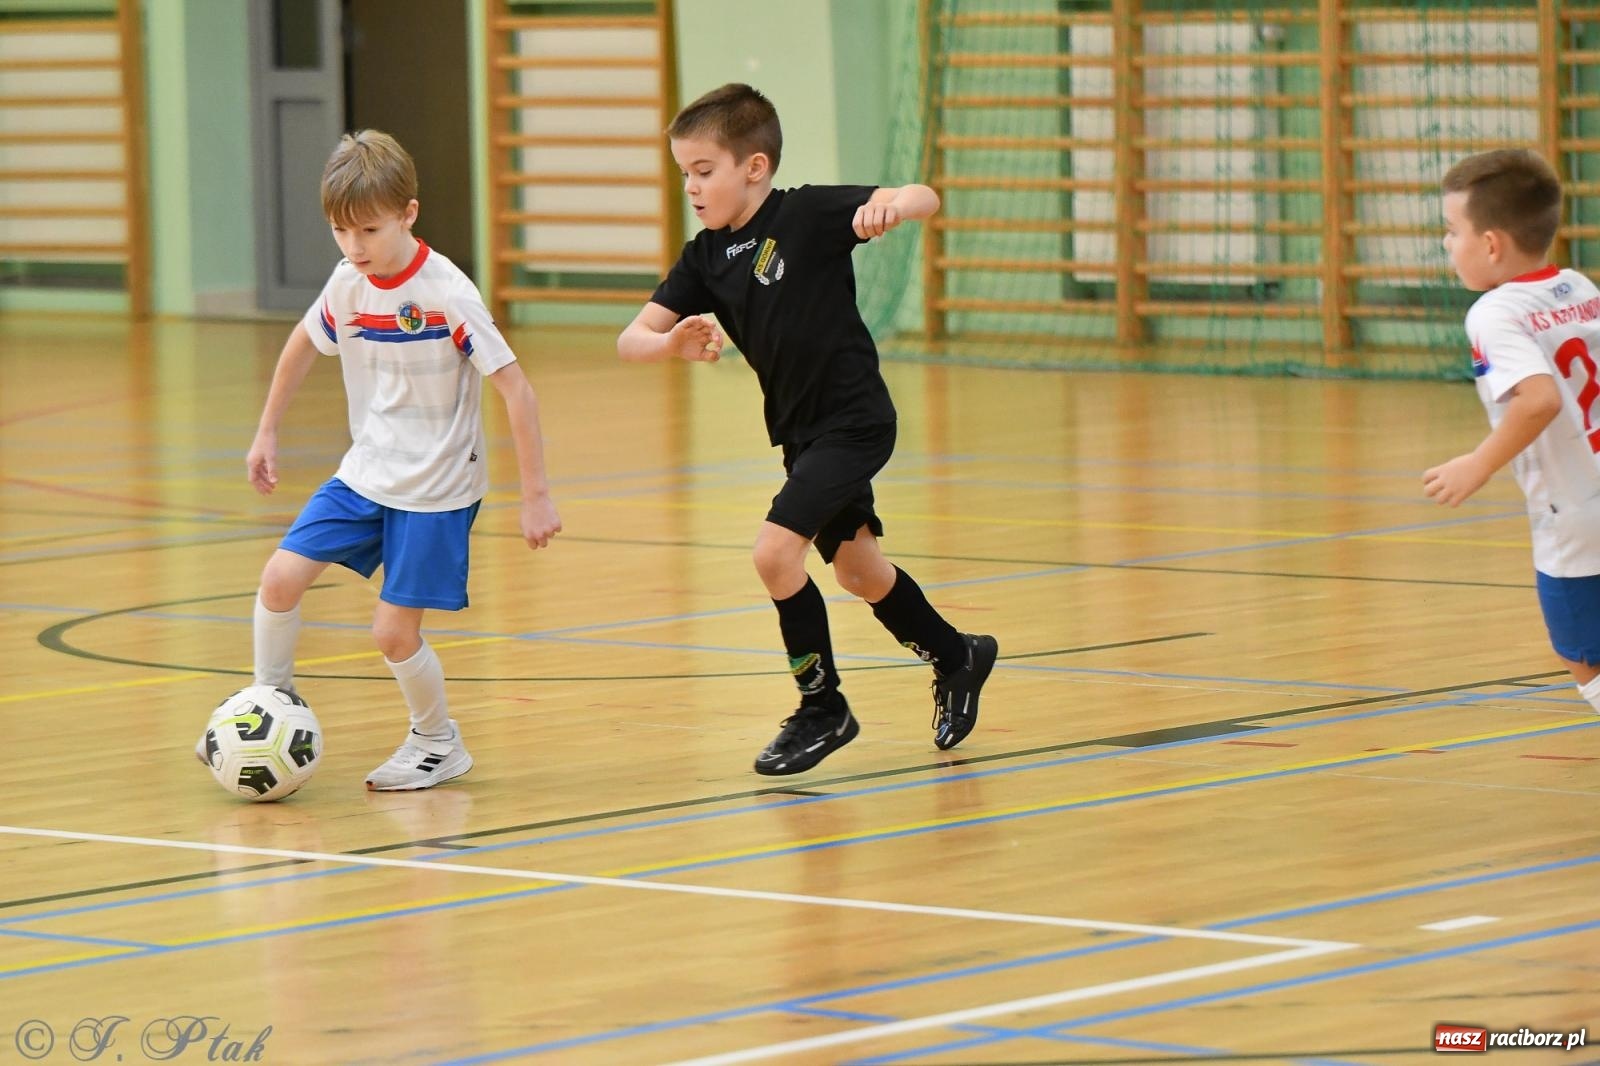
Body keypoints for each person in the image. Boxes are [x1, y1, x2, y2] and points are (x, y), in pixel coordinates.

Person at [618, 83, 999, 775]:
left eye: (705, 172)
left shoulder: (810, 214)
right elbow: (630, 340)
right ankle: (957, 653)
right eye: (685, 175)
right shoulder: (705, 257)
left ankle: (822, 707)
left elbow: (923, 196)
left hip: (854, 421)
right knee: (859, 571)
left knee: (773, 555)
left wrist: (892, 205)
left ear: (754, 167)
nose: (693, 189)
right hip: (802, 439)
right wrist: (670, 343)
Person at [197, 130, 561, 790]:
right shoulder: (348, 284)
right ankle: (268, 706)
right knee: (279, 580)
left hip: (438, 484)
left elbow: (516, 387)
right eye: (341, 231)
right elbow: (303, 345)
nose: (354, 247)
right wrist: (266, 432)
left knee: (392, 634)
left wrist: (535, 493)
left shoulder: (447, 294)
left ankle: (437, 742)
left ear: (408, 214)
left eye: (368, 229)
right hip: (366, 472)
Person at [1426, 147, 1600, 713]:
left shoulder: (1495, 313)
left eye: (1452, 231)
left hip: (1574, 514)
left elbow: (1539, 399)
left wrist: (1478, 462)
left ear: (1492, 243)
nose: (1447, 244)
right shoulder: (1577, 287)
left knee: (1582, 655)